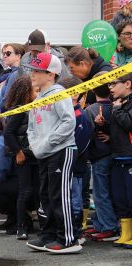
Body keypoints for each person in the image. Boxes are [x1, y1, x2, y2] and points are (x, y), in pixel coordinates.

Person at [25, 53, 82, 253]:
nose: (32, 74)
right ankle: (48, 235)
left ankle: (68, 239)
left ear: (50, 74)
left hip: (61, 150)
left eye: (36, 70)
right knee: (46, 195)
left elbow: (69, 122)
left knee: (60, 195)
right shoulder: (38, 98)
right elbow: (31, 128)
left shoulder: (60, 94)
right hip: (44, 153)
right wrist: (36, 145)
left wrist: (47, 143)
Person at [58, 77, 94, 245]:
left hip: (76, 166)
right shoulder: (66, 113)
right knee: (67, 199)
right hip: (65, 165)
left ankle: (78, 232)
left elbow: (79, 144)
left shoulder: (80, 116)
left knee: (75, 201)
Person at [4, 76, 39, 240]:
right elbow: (8, 133)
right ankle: (21, 226)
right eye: (35, 91)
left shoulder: (36, 108)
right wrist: (18, 152)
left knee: (38, 191)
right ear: (26, 93)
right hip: (23, 157)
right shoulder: (19, 110)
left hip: (37, 154)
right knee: (25, 191)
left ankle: (42, 223)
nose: (37, 93)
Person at [84, 84, 119, 241]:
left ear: (93, 90)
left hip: (98, 155)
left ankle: (109, 226)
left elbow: (86, 133)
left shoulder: (90, 110)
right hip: (112, 152)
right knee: (105, 191)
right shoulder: (115, 106)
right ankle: (99, 223)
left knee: (100, 193)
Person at [108, 73, 132, 248]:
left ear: (128, 84)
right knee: (120, 197)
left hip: (130, 156)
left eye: (114, 83)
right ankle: (126, 233)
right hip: (117, 156)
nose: (110, 87)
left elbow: (129, 124)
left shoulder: (124, 105)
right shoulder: (119, 103)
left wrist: (117, 110)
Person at [0, 43, 25, 113]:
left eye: (8, 53)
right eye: (4, 54)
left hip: (8, 115)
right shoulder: (15, 72)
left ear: (18, 56)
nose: (5, 56)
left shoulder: (16, 74)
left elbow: (7, 100)